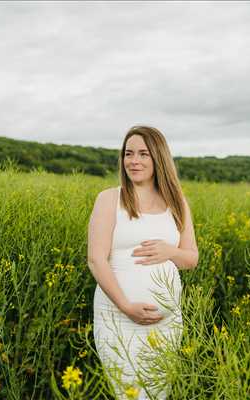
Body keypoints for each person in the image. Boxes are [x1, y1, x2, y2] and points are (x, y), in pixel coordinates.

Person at [87, 126, 199, 399]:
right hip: (117, 317)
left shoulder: (177, 202)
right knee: (128, 394)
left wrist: (169, 251)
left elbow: (191, 257)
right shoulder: (109, 199)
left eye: (143, 154)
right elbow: (95, 259)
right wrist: (126, 307)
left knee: (157, 393)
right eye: (128, 153)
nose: (133, 161)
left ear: (158, 158)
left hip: (167, 323)